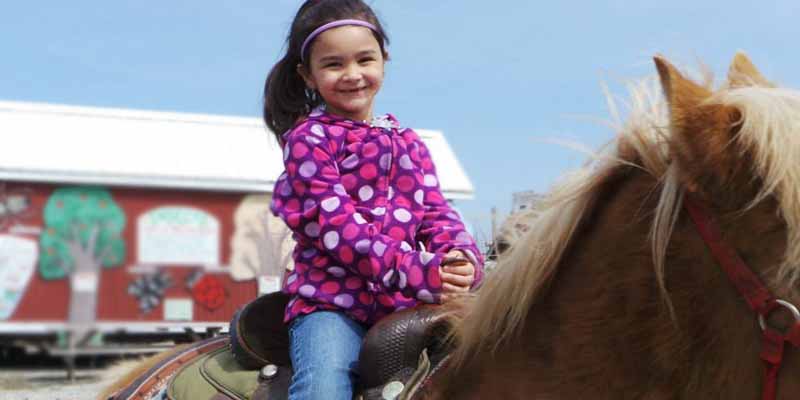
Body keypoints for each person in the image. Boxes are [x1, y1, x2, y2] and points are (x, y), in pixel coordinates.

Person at [264, 1, 484, 399]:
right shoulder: (308, 141)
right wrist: (421, 272)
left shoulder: (409, 143)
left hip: (404, 303)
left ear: (384, 60)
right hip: (332, 305)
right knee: (324, 386)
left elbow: (436, 212)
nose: (352, 75)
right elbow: (340, 231)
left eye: (365, 59)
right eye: (333, 64)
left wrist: (459, 259)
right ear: (307, 75)